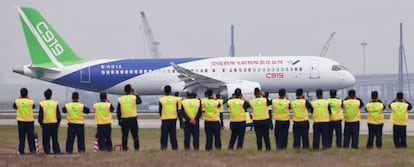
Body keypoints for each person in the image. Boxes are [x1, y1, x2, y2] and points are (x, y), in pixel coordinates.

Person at [117, 84, 142, 151]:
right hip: (133, 119)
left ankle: (124, 149)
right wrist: (135, 94)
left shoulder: (121, 99)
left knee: (124, 136)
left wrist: (119, 120)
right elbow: (139, 101)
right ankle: (136, 149)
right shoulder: (133, 97)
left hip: (124, 120)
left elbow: (118, 111)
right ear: (131, 90)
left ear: (124, 91)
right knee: (135, 135)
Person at [38, 88, 61, 154]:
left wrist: (41, 123)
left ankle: (47, 151)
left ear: (44, 95)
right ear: (51, 95)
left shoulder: (42, 103)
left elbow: (40, 115)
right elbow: (58, 114)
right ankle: (56, 151)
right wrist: (58, 122)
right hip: (54, 123)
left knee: (46, 139)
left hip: (45, 124)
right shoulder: (55, 103)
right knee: (55, 139)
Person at [14, 88, 36, 155]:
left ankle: (21, 150)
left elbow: (14, 107)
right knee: (31, 137)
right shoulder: (30, 101)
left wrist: (20, 99)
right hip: (30, 121)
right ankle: (32, 150)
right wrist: (28, 99)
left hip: (21, 121)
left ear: (20, 94)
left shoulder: (17, 101)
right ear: (27, 94)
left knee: (22, 137)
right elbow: (33, 107)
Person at [159, 85, 179, 150]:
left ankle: (163, 147)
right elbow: (177, 108)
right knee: (173, 134)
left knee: (164, 135)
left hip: (165, 119)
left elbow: (160, 110)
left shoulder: (161, 100)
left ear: (164, 91)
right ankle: (175, 147)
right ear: (171, 91)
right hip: (173, 119)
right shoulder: (175, 99)